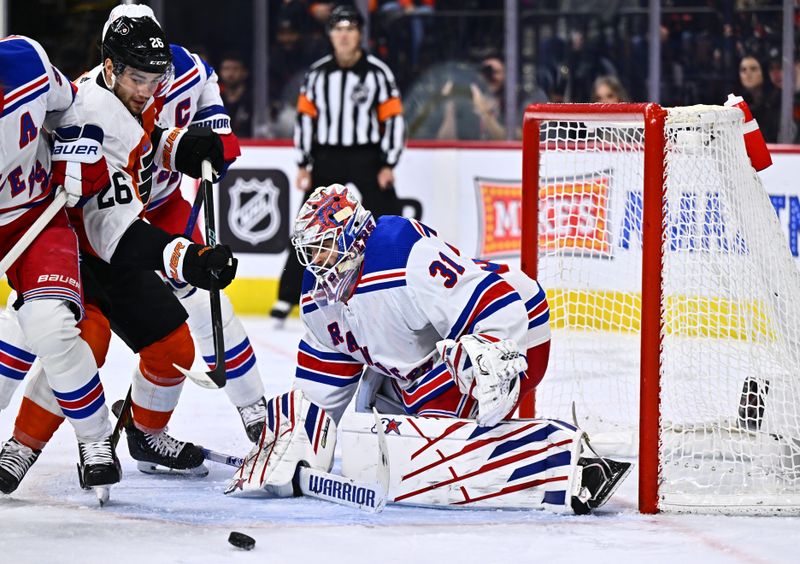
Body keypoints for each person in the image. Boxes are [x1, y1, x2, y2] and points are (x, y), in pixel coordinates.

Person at [226, 184, 631, 514]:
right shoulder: (318, 299)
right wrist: (292, 440)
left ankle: (562, 462)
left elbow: (501, 303)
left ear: (351, 237)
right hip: (430, 358)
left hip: (513, 326)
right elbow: (319, 394)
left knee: (423, 452)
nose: (315, 263)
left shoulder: (401, 254)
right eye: (309, 252)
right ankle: (466, 433)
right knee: (374, 431)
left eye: (323, 248)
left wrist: (491, 353)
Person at [0, 7, 237, 493]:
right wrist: (187, 259)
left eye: (156, 78)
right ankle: (22, 445)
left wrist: (179, 146)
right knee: (85, 342)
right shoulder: (98, 111)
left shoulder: (127, 94)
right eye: (138, 78)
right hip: (75, 248)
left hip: (112, 247)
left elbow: (142, 140)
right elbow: (115, 231)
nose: (148, 89)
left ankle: (146, 435)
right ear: (110, 68)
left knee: (173, 349)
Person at [0, 35, 120, 494]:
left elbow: (67, 104)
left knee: (51, 324)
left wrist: (76, 142)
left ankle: (95, 439)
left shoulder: (27, 60)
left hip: (38, 219)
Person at [270, 4, 406, 324]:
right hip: (327, 155)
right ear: (330, 35)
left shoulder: (378, 73)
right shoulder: (318, 74)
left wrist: (388, 162)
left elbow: (394, 120)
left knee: (390, 219)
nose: (344, 36)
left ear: (359, 34)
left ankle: (400, 282)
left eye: (350, 29)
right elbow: (305, 120)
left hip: (368, 155)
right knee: (308, 226)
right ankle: (287, 296)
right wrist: (303, 162)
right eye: (338, 29)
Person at [737, 54, 780, 143]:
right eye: (743, 70)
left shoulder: (777, 100)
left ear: (763, 72)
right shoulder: (736, 104)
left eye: (753, 69)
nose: (748, 74)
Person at [217, 53, 252, 138]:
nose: (230, 73)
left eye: (235, 69)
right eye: (226, 69)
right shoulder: (215, 100)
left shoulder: (253, 100)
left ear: (245, 72)